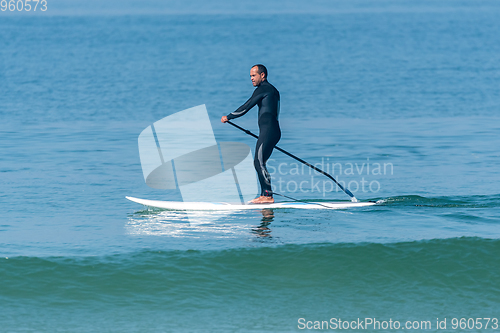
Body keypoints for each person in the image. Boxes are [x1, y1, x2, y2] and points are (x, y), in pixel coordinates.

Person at [221, 64, 281, 204]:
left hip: (268, 132)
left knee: (258, 162)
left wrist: (229, 117)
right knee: (260, 162)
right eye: (250, 76)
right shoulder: (273, 90)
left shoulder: (264, 89)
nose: (251, 79)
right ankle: (265, 194)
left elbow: (246, 107)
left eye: (254, 76)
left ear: (263, 75)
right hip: (273, 131)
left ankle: (267, 195)